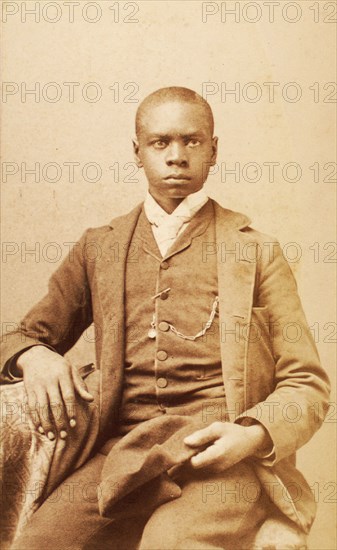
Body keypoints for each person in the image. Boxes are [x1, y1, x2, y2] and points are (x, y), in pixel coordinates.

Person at [1, 87, 330, 549]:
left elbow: (307, 384)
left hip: (219, 461)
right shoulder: (101, 246)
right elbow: (20, 336)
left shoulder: (255, 250)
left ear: (214, 150)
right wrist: (34, 356)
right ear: (137, 152)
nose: (176, 157)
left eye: (191, 142)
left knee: (169, 544)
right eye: (160, 143)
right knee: (39, 544)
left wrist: (251, 435)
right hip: (122, 456)